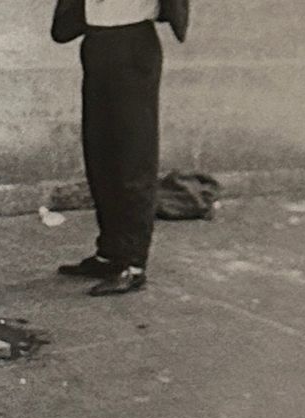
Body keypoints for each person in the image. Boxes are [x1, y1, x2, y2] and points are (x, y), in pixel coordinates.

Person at [54, 0, 190, 296]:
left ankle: (133, 263)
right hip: (97, 41)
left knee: (133, 156)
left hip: (133, 42)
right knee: (100, 154)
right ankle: (110, 253)